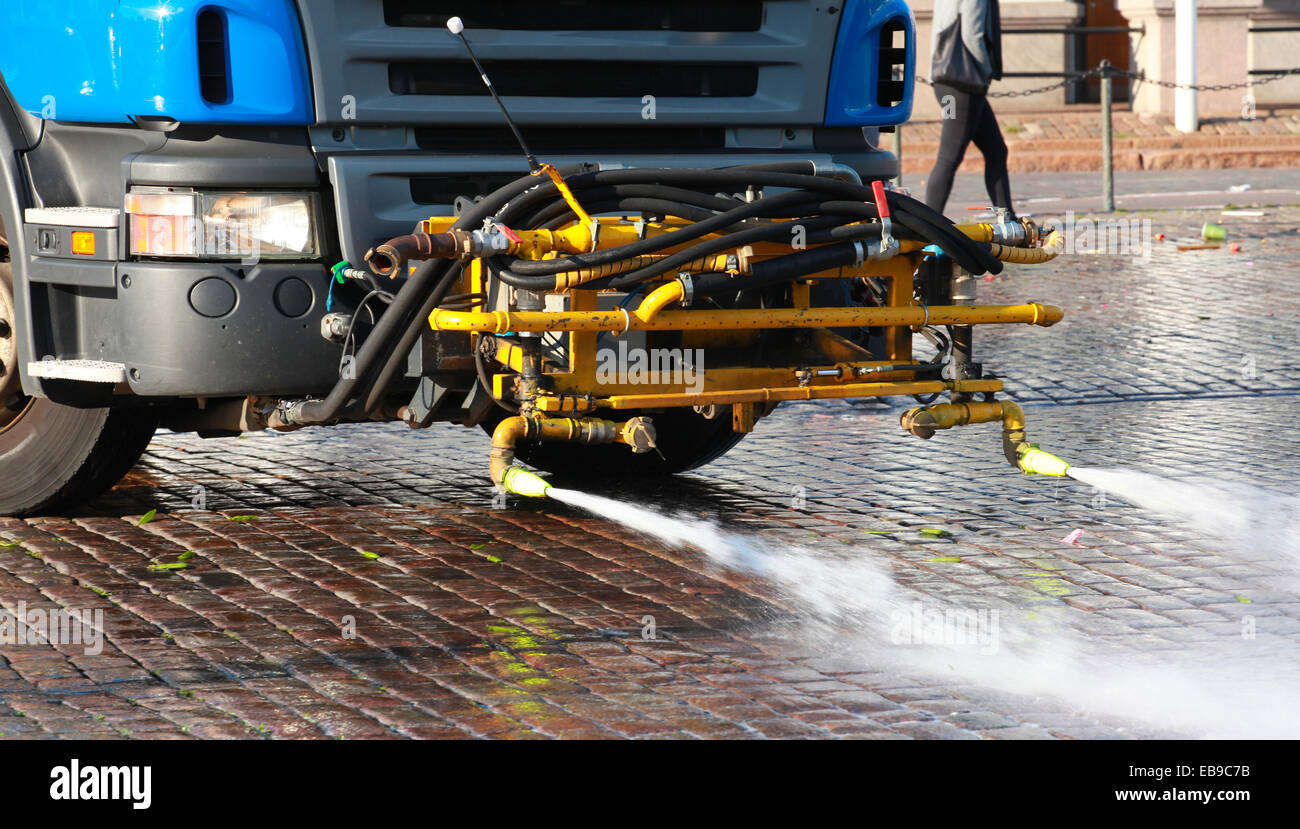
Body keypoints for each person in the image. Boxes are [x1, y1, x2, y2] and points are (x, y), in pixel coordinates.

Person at [925, 0, 1013, 218]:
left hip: (947, 82)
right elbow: (972, 35)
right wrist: (984, 71)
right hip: (963, 86)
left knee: (996, 151)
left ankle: (1008, 219)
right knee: (948, 158)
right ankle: (927, 226)